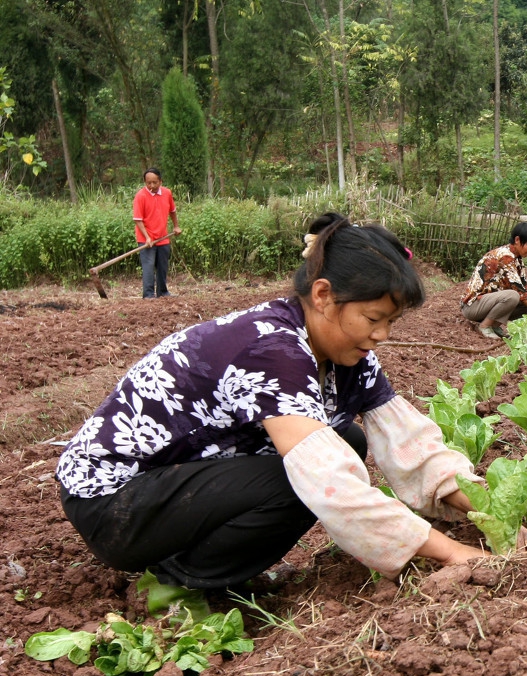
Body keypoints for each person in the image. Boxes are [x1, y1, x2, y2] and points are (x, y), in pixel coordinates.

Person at [57, 213, 500, 616]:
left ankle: (214, 568)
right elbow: (327, 483)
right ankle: (175, 583)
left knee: (348, 438)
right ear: (323, 295)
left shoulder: (348, 354)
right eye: (373, 318)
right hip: (113, 503)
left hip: (179, 483)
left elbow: (410, 445)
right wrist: (450, 554)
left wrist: (488, 509)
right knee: (300, 479)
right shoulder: (272, 349)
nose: (382, 335)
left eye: (391, 322)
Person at [460, 222, 527, 339]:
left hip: (487, 303)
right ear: (518, 240)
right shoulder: (505, 256)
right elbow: (521, 293)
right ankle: (484, 326)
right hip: (472, 306)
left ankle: (494, 325)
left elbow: (525, 290)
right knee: (513, 296)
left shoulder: (517, 259)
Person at [132, 167, 181, 298]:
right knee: (148, 268)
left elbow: (173, 211)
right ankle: (148, 295)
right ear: (145, 182)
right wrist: (147, 237)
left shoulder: (167, 193)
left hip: (163, 237)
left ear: (160, 181)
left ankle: (163, 292)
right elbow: (138, 220)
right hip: (146, 239)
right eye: (149, 183)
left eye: (155, 182)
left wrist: (176, 226)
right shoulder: (140, 196)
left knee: (162, 267)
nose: (152, 186)